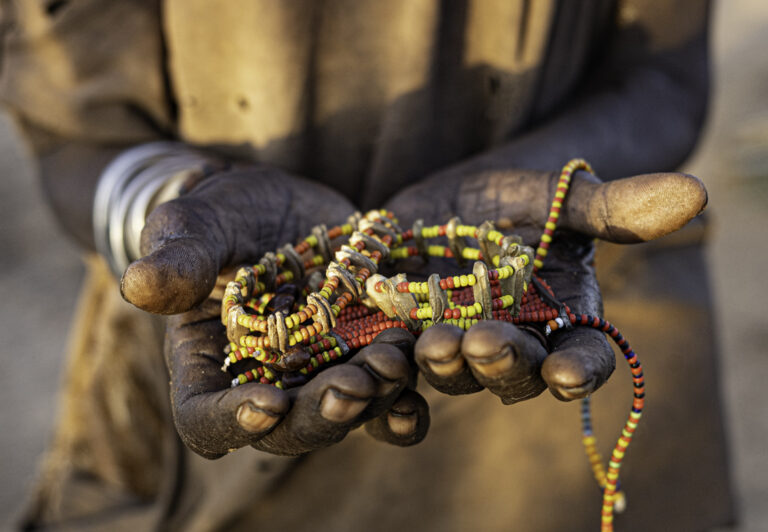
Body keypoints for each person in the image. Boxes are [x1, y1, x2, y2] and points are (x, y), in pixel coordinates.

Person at [1, 1, 734, 530]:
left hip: (560, 304)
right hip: (230, 348)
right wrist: (184, 209)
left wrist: (550, 192)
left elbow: (662, 75)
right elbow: (71, 133)